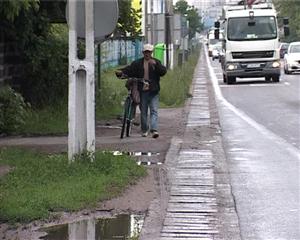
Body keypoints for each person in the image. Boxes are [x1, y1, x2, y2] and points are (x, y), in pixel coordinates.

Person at [116, 43, 167, 138]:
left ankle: (154, 130)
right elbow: (129, 69)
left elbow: (163, 72)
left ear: (151, 53)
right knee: (143, 111)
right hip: (143, 91)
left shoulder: (156, 62)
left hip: (153, 90)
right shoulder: (138, 63)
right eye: (145, 52)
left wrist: (156, 65)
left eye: (149, 52)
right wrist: (121, 71)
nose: (147, 54)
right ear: (143, 53)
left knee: (154, 110)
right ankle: (144, 129)